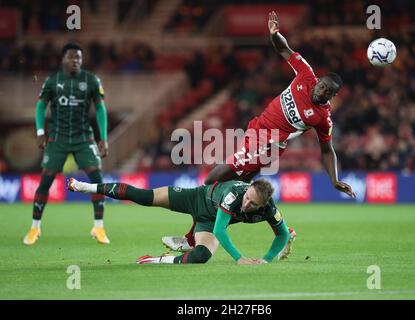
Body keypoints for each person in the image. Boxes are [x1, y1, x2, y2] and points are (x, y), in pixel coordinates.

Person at [162, 11, 355, 254]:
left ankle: (191, 239)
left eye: (327, 92)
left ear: (332, 97)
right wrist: (275, 34)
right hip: (255, 131)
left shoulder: (322, 118)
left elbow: (327, 150)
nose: (321, 92)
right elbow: (285, 50)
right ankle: (284, 232)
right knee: (238, 194)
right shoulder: (306, 75)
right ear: (318, 82)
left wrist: (335, 179)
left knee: (214, 178)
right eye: (322, 86)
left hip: (267, 146)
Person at [67, 177, 290, 265]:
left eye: (252, 204)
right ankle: (85, 186)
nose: (246, 205)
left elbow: (283, 234)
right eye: (247, 198)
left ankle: (155, 260)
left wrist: (267, 259)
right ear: (248, 189)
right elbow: (221, 231)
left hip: (207, 222)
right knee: (145, 197)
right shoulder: (234, 195)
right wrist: (239, 258)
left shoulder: (270, 209)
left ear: (263, 206)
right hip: (197, 198)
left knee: (201, 256)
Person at [23, 43, 110, 245]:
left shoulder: (91, 80)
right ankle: (35, 228)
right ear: (63, 59)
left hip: (83, 138)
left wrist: (103, 138)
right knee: (46, 180)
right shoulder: (53, 80)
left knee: (96, 177)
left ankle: (99, 227)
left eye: (78, 57)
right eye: (71, 57)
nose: (75, 61)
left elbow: (100, 109)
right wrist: (40, 131)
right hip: (57, 138)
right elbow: (40, 107)